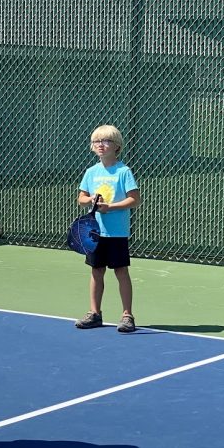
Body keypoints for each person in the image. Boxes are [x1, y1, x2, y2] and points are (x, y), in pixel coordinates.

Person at [74, 124, 140, 333]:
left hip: (117, 232)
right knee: (96, 271)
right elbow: (81, 198)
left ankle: (127, 315)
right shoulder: (91, 172)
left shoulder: (123, 172)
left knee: (121, 271)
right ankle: (94, 313)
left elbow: (134, 199)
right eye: (96, 142)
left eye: (106, 141)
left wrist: (110, 207)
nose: (100, 145)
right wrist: (90, 199)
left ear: (117, 146)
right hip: (95, 231)